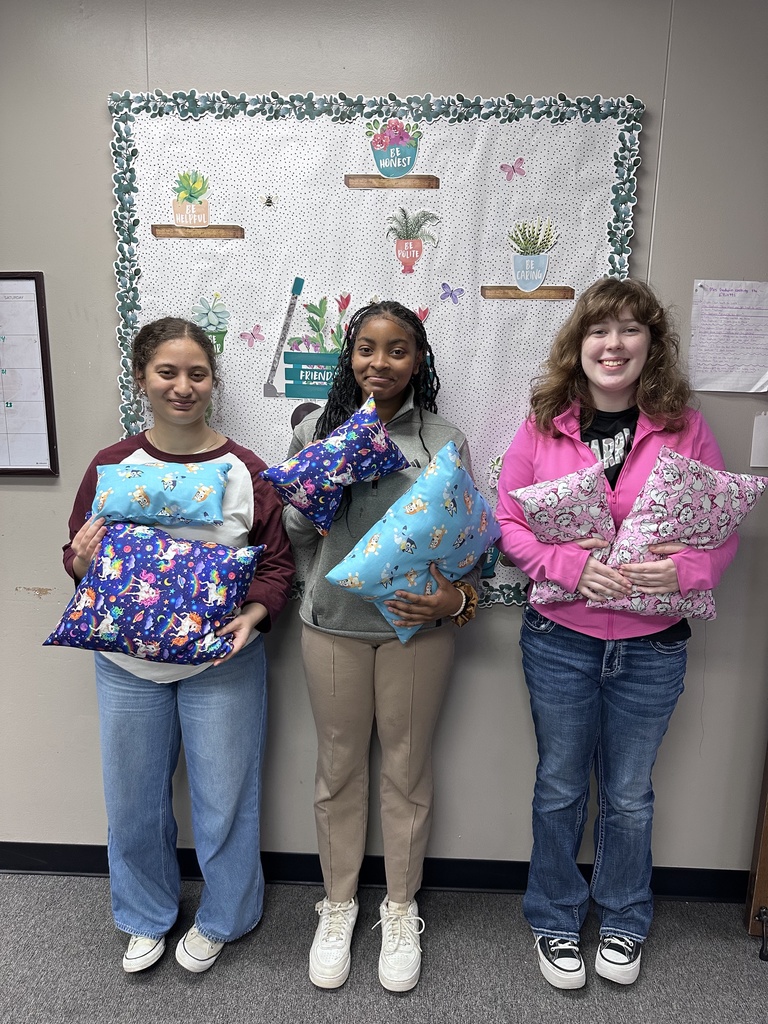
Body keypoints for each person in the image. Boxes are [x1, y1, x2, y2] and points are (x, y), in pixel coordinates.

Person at [496, 278, 738, 990]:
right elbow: (509, 521)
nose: (614, 344)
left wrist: (687, 572)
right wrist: (569, 565)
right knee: (560, 784)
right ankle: (553, 916)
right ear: (580, 343)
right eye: (601, 330)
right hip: (560, 638)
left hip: (653, 645)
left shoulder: (683, 424)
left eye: (631, 329)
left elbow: (718, 531)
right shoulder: (544, 422)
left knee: (630, 792)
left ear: (651, 345)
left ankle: (626, 917)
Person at [62, 317, 294, 974]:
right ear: (141, 379)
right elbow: (79, 562)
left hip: (223, 662)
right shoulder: (111, 467)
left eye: (196, 373)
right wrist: (79, 562)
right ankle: (143, 914)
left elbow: (277, 565)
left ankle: (227, 914)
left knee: (226, 798)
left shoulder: (245, 470)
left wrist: (254, 615)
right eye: (168, 372)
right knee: (132, 800)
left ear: (214, 381)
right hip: (128, 665)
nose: (183, 386)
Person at [282, 300, 480, 992]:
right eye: (367, 348)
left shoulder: (444, 438)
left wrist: (452, 600)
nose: (380, 363)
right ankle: (337, 906)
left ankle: (399, 908)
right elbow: (297, 538)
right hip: (331, 625)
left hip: (415, 632)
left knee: (407, 770)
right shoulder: (316, 429)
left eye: (398, 350)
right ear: (349, 356)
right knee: (337, 770)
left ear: (418, 360)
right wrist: (319, 487)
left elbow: (466, 549)